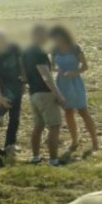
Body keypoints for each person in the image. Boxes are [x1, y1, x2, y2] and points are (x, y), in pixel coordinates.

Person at [49, 25, 99, 152]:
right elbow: (51, 66)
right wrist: (57, 70)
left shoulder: (75, 48)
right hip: (62, 83)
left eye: (58, 37)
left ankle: (95, 141)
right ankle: (74, 141)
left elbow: (85, 66)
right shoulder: (54, 49)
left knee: (83, 111)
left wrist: (75, 73)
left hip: (75, 83)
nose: (56, 40)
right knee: (68, 112)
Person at [22, 25, 66, 166]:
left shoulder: (26, 52)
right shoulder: (39, 53)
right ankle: (54, 161)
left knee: (38, 126)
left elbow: (24, 76)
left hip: (33, 93)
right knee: (54, 126)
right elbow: (46, 76)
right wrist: (58, 95)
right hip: (45, 94)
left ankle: (35, 157)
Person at [0, 31, 23, 155]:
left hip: (17, 84)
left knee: (15, 116)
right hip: (4, 85)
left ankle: (10, 144)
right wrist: (0, 97)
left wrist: (25, 79)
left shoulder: (14, 48)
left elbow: (21, 64)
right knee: (8, 101)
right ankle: (0, 111)